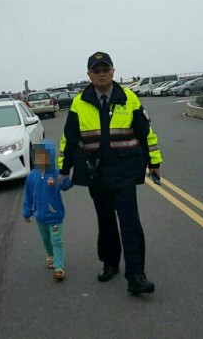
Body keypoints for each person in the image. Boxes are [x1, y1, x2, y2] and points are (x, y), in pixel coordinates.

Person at [58, 51, 163, 295]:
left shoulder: (129, 98)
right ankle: (110, 263)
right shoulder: (79, 102)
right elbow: (69, 139)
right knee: (105, 222)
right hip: (96, 173)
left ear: (113, 71)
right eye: (97, 70)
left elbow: (146, 134)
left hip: (125, 170)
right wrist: (64, 169)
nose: (102, 74)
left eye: (106, 69)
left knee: (130, 223)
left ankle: (136, 274)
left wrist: (154, 162)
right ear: (89, 75)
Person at [22, 140, 72, 281]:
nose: (40, 159)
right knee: (46, 240)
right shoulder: (32, 176)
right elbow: (28, 196)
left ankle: (59, 267)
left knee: (56, 240)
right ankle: (50, 256)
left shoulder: (56, 173)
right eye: (37, 156)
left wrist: (63, 181)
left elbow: (66, 185)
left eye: (44, 156)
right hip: (40, 216)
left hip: (54, 215)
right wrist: (27, 212)